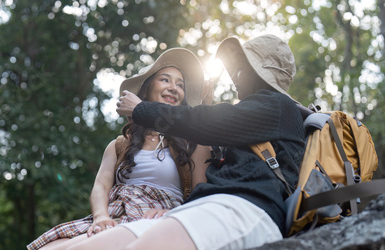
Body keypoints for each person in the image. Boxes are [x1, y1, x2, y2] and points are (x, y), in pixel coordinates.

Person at [64, 34, 306, 250]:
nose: (234, 76)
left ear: (256, 71)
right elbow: (211, 123)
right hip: (205, 208)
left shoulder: (276, 106)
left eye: (241, 68)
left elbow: (202, 122)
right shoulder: (258, 114)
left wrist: (141, 109)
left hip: (245, 208)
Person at [27, 48, 212, 250]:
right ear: (146, 89)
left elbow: (200, 197)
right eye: (165, 80)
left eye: (180, 84)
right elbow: (100, 187)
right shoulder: (120, 145)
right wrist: (101, 217)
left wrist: (171, 215)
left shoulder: (193, 142)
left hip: (160, 216)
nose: (174, 88)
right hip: (116, 212)